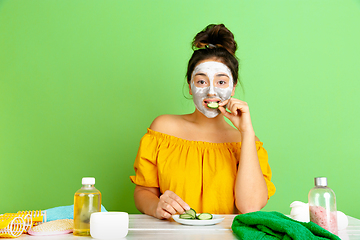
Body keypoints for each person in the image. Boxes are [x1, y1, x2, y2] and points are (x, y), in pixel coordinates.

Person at [130, 24, 276, 220]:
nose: (211, 92)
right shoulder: (163, 128)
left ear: (233, 89)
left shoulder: (247, 143)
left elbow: (250, 207)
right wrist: (157, 206)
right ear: (190, 86)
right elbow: (143, 192)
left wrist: (246, 133)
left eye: (221, 82)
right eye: (201, 81)